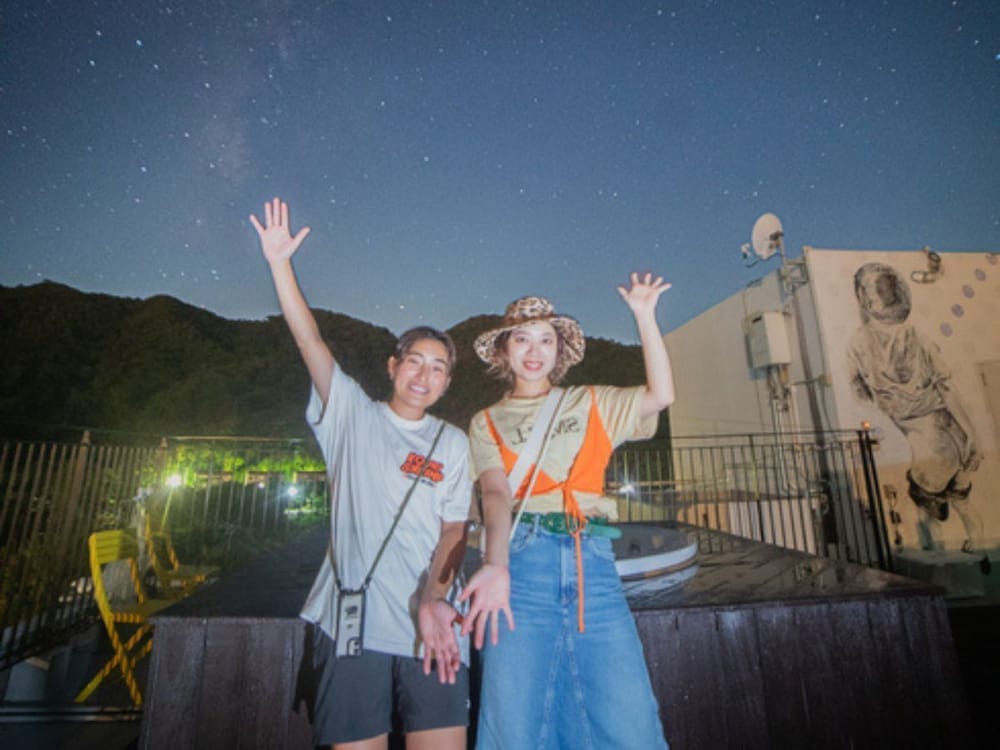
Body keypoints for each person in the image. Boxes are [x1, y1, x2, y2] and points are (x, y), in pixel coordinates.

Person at [250, 197, 473, 750]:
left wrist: (433, 598)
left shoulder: (452, 441)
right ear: (393, 366)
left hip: (434, 624)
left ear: (447, 383)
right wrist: (280, 264)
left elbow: (455, 528)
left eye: (438, 368)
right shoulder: (351, 414)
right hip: (354, 622)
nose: (424, 375)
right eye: (415, 361)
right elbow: (310, 341)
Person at [460, 274, 675, 750]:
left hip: (591, 561)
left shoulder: (592, 401)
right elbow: (495, 495)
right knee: (513, 714)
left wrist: (644, 316)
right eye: (521, 339)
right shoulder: (486, 421)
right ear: (504, 351)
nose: (534, 350)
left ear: (559, 351)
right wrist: (496, 565)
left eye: (545, 339)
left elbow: (661, 395)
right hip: (523, 562)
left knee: (628, 713)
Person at [847, 261, 985, 560]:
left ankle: (947, 558)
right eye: (874, 289)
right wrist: (972, 437)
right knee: (957, 502)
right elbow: (945, 388)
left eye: (881, 289)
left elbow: (862, 394)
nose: (877, 295)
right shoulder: (898, 338)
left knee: (931, 510)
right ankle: (973, 553)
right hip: (943, 432)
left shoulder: (864, 343)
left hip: (932, 439)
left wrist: (972, 436)